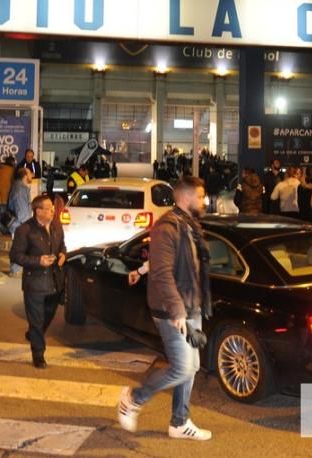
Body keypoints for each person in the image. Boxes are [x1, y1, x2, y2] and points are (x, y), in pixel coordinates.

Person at [117, 176, 212, 441]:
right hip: (172, 309)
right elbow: (162, 273)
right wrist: (177, 311)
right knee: (182, 367)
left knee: (192, 367)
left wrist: (140, 269)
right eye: (201, 196)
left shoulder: (188, 225)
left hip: (191, 304)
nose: (204, 201)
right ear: (186, 197)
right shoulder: (167, 227)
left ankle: (179, 423)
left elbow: (168, 260)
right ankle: (133, 398)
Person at [10, 194, 66, 369]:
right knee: (36, 320)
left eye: (52, 208)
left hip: (55, 281)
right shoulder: (24, 230)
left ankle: (35, 334)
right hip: (34, 283)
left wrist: (63, 254)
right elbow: (15, 255)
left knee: (47, 316)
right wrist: (38, 261)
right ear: (38, 211)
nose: (53, 210)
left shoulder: (57, 226)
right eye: (49, 208)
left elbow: (62, 245)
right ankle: (38, 354)